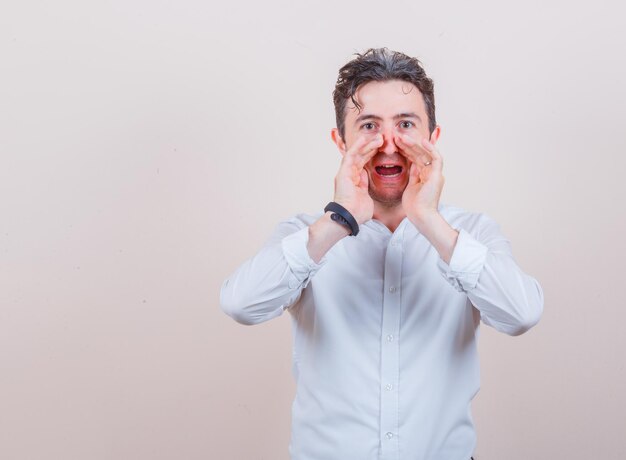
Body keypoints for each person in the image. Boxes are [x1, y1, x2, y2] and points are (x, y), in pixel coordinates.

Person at [220, 48, 543, 460]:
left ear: (433, 139)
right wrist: (339, 220)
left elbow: (522, 314)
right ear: (341, 142)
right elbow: (241, 304)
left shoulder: (472, 234)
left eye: (406, 125)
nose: (389, 144)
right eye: (369, 126)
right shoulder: (305, 235)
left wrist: (426, 218)